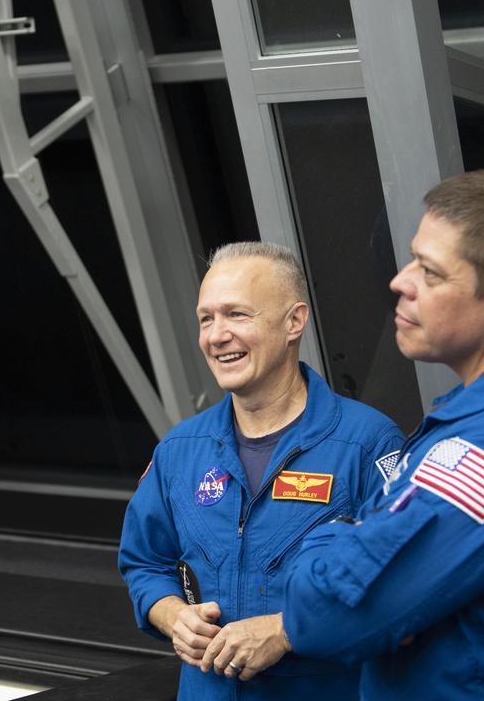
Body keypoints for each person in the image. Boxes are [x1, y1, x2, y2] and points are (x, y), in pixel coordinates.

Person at [206, 168, 484, 698]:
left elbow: (327, 609)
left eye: (430, 273)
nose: (400, 281)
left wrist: (331, 532)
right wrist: (366, 538)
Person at [118, 242, 403, 700]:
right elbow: (144, 562)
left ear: (294, 322)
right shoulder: (180, 449)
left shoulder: (367, 444)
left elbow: (401, 588)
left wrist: (286, 630)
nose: (216, 335)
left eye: (237, 315)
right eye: (206, 318)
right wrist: (171, 614)